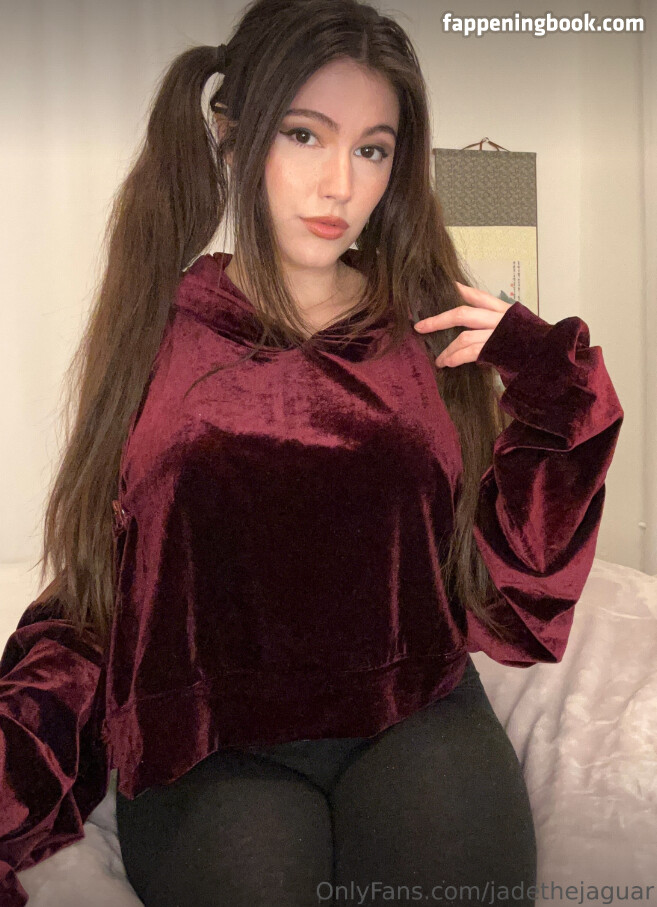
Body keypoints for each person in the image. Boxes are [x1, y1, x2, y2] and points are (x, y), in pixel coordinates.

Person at [0, 0, 624, 905]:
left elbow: (510, 563)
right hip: (209, 733)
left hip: (413, 709)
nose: (339, 183)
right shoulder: (159, 323)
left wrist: (544, 373)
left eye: (372, 149)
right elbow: (114, 554)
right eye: (304, 135)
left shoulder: (426, 327)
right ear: (230, 135)